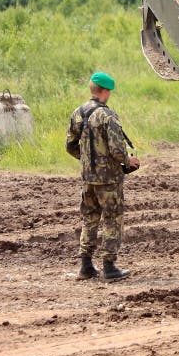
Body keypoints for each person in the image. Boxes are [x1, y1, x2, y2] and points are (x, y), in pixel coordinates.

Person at [65, 71, 139, 282]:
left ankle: (86, 265)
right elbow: (117, 150)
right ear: (105, 92)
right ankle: (109, 266)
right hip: (108, 180)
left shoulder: (78, 113)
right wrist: (129, 161)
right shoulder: (107, 116)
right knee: (112, 220)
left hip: (88, 179)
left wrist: (88, 160)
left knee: (89, 219)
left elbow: (70, 146)